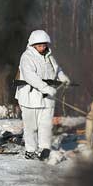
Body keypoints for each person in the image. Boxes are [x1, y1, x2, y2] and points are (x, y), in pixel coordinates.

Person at [15, 30, 70, 160]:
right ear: (33, 44)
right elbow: (30, 76)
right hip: (30, 97)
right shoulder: (27, 57)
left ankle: (44, 148)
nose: (42, 47)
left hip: (48, 98)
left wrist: (63, 78)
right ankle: (30, 150)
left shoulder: (49, 56)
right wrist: (46, 88)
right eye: (39, 45)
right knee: (31, 126)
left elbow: (57, 69)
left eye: (44, 44)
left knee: (45, 124)